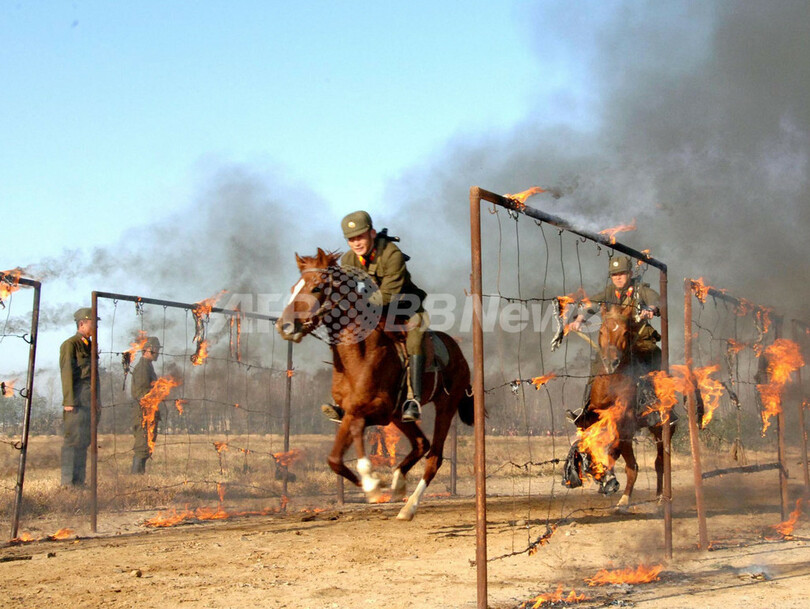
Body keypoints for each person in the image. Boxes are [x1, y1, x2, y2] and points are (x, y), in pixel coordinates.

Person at [322, 210, 429, 423]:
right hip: (370, 311)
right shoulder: (349, 259)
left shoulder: (392, 255)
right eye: (351, 239)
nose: (356, 243)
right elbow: (349, 291)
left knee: (416, 339)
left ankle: (412, 400)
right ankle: (343, 401)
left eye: (360, 236)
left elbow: (389, 294)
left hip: (405, 307)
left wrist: (359, 305)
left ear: (372, 233)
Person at [567, 256, 661, 422]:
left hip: (638, 340)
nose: (618, 277)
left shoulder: (640, 289)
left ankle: (653, 404)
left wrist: (650, 309)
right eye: (614, 274)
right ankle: (588, 407)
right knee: (598, 361)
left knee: (652, 357)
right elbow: (591, 304)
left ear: (630, 273)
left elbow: (654, 299)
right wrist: (579, 319)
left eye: (622, 273)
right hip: (616, 343)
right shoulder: (609, 292)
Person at [60, 307, 97, 487]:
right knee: (73, 442)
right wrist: (69, 401)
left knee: (83, 442)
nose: (96, 326)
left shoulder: (90, 346)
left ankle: (79, 481)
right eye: (93, 323)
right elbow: (67, 373)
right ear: (82, 323)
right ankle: (68, 483)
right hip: (76, 402)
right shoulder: (71, 344)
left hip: (88, 402)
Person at [130, 336, 161, 474]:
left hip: (149, 411)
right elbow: (141, 393)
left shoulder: (148, 366)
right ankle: (136, 478)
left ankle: (139, 475)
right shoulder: (143, 367)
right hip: (144, 412)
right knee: (142, 445)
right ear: (148, 349)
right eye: (156, 349)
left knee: (147, 444)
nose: (158, 352)